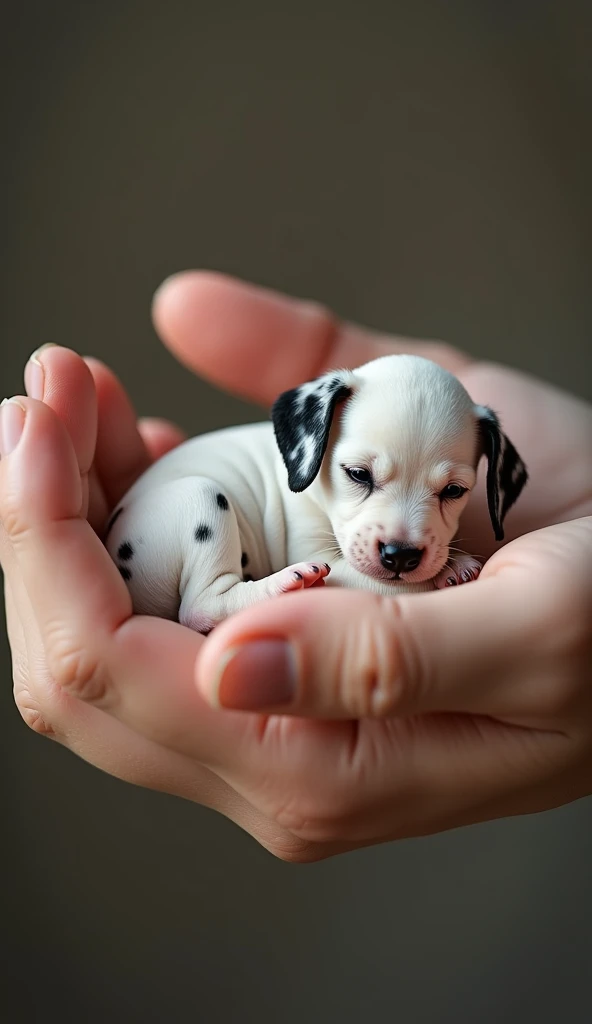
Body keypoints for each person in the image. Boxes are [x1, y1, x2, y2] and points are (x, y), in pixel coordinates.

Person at [1, 271, 591, 862]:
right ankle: (215, 599)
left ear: (488, 481)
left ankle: (229, 590)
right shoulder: (304, 492)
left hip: (185, 563)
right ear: (314, 438)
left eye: (450, 492)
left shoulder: (373, 454)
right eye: (362, 477)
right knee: (202, 499)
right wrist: (437, 585)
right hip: (169, 544)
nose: (405, 539)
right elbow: (335, 584)